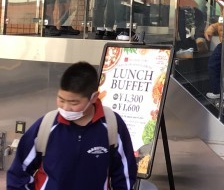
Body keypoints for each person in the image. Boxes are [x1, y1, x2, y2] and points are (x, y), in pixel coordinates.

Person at [7, 61, 137, 190]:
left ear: (94, 97)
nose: (65, 107)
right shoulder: (46, 125)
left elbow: (124, 175)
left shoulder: (112, 125)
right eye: (61, 100)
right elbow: (19, 172)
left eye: (74, 103)